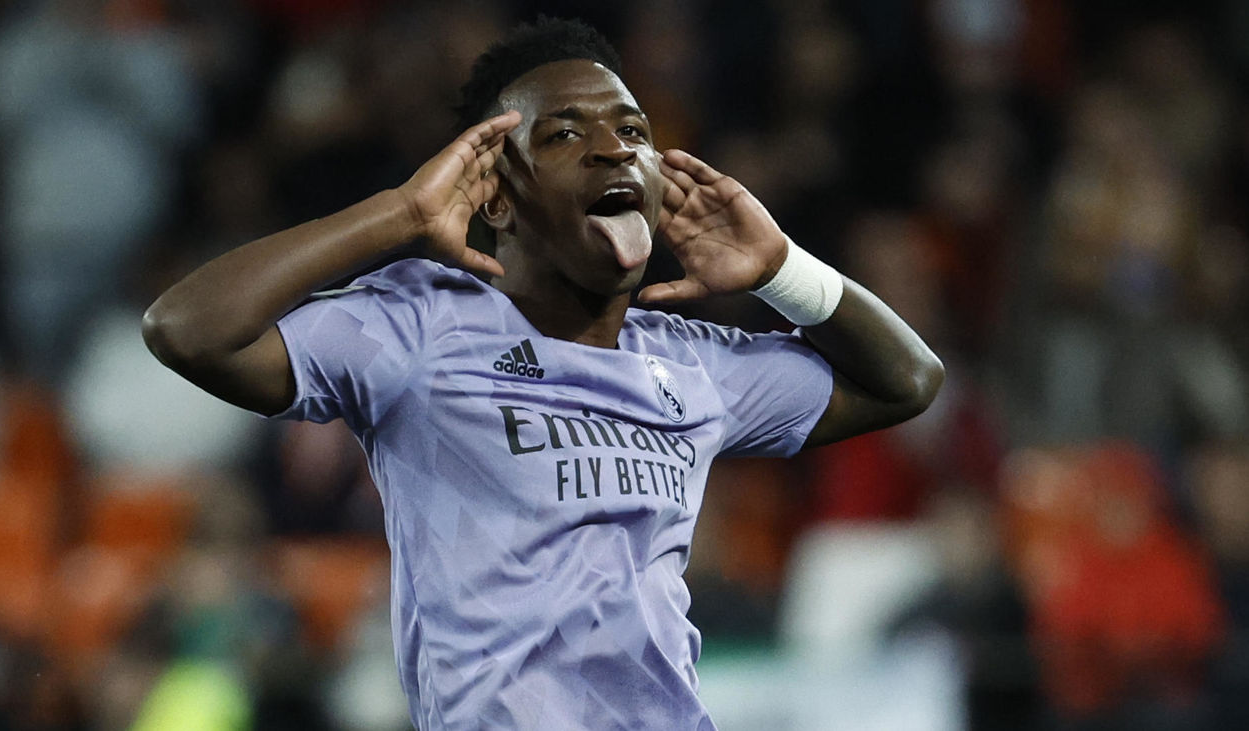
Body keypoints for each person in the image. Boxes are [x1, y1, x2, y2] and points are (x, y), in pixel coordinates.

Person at [142, 17, 943, 730]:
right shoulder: (416, 327)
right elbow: (188, 329)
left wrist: (782, 270)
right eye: (563, 134)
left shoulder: (691, 362)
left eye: (633, 129)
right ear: (495, 195)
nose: (611, 147)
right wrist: (400, 213)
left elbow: (907, 379)